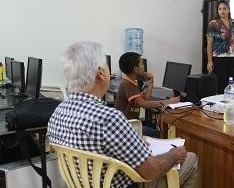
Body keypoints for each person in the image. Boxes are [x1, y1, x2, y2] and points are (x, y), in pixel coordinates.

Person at [47, 42, 201, 188]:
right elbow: (150, 170)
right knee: (190, 159)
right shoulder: (109, 118)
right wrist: (174, 155)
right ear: (100, 73)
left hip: (82, 183)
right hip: (125, 184)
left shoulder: (58, 112)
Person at [115, 52, 180, 138]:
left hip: (128, 125)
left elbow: (146, 98)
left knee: (156, 130)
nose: (143, 67)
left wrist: (151, 83)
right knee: (162, 134)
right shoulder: (127, 84)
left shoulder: (131, 82)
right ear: (136, 69)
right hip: (126, 128)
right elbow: (144, 104)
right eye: (141, 64)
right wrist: (168, 102)